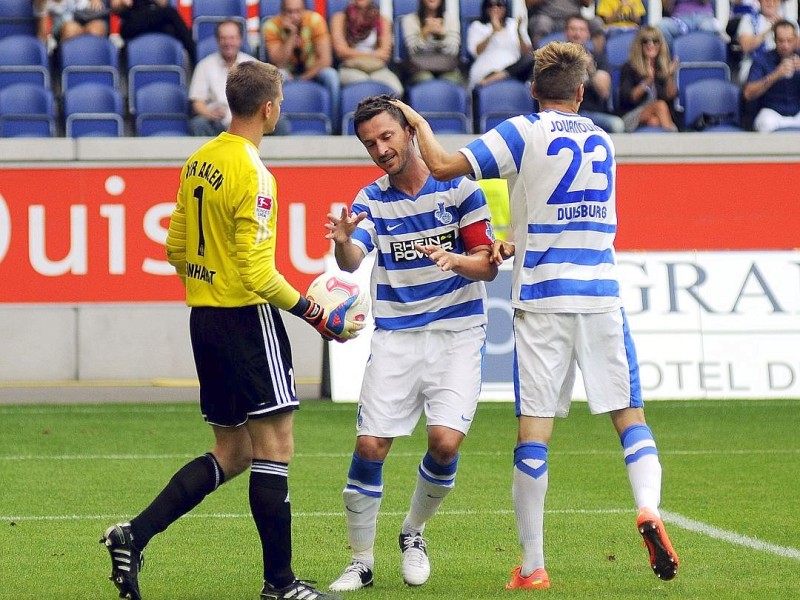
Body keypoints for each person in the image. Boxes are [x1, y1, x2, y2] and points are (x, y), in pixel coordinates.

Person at [391, 40, 680, 591]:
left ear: (533, 91)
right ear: (579, 93)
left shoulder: (524, 130)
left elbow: (444, 164)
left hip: (543, 298)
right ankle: (646, 507)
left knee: (534, 437)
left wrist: (416, 120)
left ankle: (532, 566)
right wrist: (511, 241)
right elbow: (560, 208)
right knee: (630, 417)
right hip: (599, 294)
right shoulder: (602, 139)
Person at [100, 60, 362, 600]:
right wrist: (319, 316)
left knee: (233, 452)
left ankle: (133, 534)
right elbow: (256, 272)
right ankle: (281, 584)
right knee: (275, 447)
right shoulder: (256, 174)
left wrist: (209, 280)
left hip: (205, 320)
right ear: (268, 109)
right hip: (246, 320)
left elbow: (175, 246)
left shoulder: (199, 160)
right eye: (281, 103)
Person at [324, 94, 498, 592]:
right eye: (369, 143)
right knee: (370, 444)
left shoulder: (462, 189)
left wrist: (455, 261)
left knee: (444, 444)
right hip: (397, 336)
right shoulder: (371, 199)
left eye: (386, 137)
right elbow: (353, 260)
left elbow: (487, 262)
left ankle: (413, 533)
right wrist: (341, 239)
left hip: (458, 332)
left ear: (409, 132)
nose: (380, 149)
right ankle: (361, 561)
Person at [189, 20, 291, 137]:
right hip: (218, 124)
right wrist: (210, 114)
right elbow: (196, 102)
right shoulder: (204, 65)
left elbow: (266, 97)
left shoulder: (253, 65)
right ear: (217, 40)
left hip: (249, 122)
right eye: (224, 38)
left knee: (281, 123)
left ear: (240, 40)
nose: (228, 42)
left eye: (232, 38)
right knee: (198, 124)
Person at [263, 0, 341, 132]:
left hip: (314, 70)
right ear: (282, 12)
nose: (294, 16)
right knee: (277, 76)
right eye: (289, 12)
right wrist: (291, 35)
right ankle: (275, 126)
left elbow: (325, 60)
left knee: (331, 75)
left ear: (304, 10)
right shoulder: (271, 26)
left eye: (298, 11)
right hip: (287, 72)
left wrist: (304, 78)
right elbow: (278, 62)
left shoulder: (315, 21)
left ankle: (335, 128)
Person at [564, 14, 625, 133]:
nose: (577, 34)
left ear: (588, 34)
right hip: (564, 113)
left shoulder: (597, 57)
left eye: (581, 30)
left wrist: (591, 68)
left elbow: (604, 92)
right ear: (566, 32)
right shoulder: (558, 58)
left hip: (592, 114)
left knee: (617, 125)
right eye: (573, 29)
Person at [330, 0, 404, 94]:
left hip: (377, 68)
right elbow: (341, 51)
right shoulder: (339, 19)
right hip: (351, 67)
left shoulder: (382, 20)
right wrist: (373, 54)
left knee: (396, 89)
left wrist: (351, 53)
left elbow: (385, 54)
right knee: (365, 88)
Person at [617, 26, 679, 131]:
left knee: (654, 121)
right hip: (632, 115)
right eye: (646, 41)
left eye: (655, 41)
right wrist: (648, 81)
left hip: (658, 115)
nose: (651, 45)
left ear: (660, 45)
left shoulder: (662, 68)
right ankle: (673, 141)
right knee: (660, 105)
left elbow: (670, 96)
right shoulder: (629, 68)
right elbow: (629, 98)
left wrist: (670, 76)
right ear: (639, 45)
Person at [743, 19, 800, 131]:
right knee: (766, 123)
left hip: (797, 113)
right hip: (772, 113)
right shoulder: (762, 60)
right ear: (775, 41)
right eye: (781, 41)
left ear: (796, 40)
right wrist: (775, 75)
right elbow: (748, 94)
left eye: (789, 41)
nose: (785, 45)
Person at [466, 0, 533, 89]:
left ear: (505, 8)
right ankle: (494, 78)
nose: (495, 8)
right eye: (490, 5)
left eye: (499, 5)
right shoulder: (477, 26)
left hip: (512, 68)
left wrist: (519, 33)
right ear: (485, 8)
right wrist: (492, 32)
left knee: (533, 58)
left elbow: (526, 52)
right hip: (485, 68)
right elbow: (476, 52)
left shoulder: (513, 24)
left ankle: (500, 75)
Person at [400, 0, 463, 86]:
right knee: (425, 79)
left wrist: (443, 35)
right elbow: (412, 50)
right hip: (419, 69)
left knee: (453, 79)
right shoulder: (409, 20)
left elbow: (453, 50)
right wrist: (425, 32)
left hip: (447, 68)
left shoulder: (451, 19)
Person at [110, 0, 195, 63]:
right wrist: (124, 2)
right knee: (171, 13)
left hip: (154, 19)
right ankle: (194, 53)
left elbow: (163, 3)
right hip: (132, 21)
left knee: (169, 29)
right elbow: (115, 7)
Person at [735, 0, 786, 84]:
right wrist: (770, 28)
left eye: (775, 1)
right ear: (760, 1)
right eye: (767, 0)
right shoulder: (748, 19)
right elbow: (746, 47)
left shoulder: (789, 22)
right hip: (754, 65)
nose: (771, 3)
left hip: (783, 64)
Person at [525, 0, 601, 48]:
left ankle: (599, 62)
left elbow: (588, 3)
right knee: (541, 22)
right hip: (549, 18)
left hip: (574, 18)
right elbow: (529, 2)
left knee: (596, 22)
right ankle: (540, 60)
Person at [34, 0, 109, 44]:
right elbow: (42, 32)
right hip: (62, 26)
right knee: (70, 29)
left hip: (87, 19)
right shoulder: (42, 2)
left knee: (96, 29)